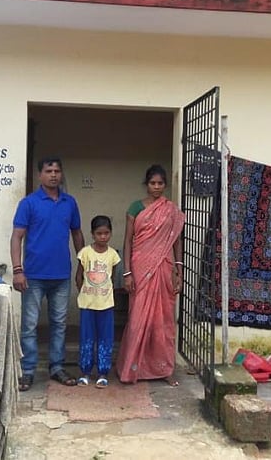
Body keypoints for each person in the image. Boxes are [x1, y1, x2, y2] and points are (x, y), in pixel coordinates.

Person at [11, 157, 84, 391]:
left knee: (59, 324)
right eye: (48, 170)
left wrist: (82, 265)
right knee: (30, 325)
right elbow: (17, 237)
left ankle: (57, 367)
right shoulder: (29, 203)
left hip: (61, 275)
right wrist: (17, 270)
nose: (53, 174)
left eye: (57, 171)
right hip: (33, 276)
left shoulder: (69, 203)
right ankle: (28, 371)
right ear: (40, 175)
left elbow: (77, 234)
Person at [116, 164, 185, 386]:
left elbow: (176, 242)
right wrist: (127, 272)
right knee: (137, 320)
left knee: (163, 321)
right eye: (152, 183)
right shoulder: (136, 207)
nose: (156, 187)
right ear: (146, 185)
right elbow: (128, 241)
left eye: (160, 183)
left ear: (165, 185)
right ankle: (132, 368)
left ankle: (164, 369)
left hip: (164, 269)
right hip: (140, 268)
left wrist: (179, 269)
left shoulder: (170, 210)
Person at [74, 215, 121, 389]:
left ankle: (103, 373)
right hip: (87, 304)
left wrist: (106, 294)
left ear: (110, 233)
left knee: (105, 339)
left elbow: (112, 278)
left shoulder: (113, 255)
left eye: (106, 233)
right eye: (99, 233)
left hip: (106, 304)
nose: (103, 236)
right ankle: (85, 372)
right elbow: (79, 276)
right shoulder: (85, 253)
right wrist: (85, 293)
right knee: (86, 338)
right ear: (92, 234)